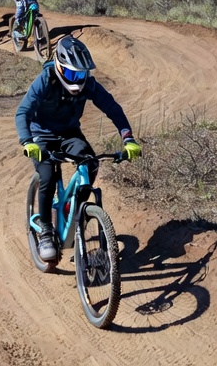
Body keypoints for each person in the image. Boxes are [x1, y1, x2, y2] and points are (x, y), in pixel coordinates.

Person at [15, 34, 142, 262]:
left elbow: (113, 109)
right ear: (60, 67)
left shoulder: (89, 85)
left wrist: (128, 138)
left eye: (82, 74)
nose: (78, 79)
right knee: (47, 176)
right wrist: (28, 142)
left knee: (90, 163)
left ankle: (76, 211)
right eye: (73, 74)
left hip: (69, 133)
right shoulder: (46, 79)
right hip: (41, 135)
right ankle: (45, 230)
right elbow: (23, 112)